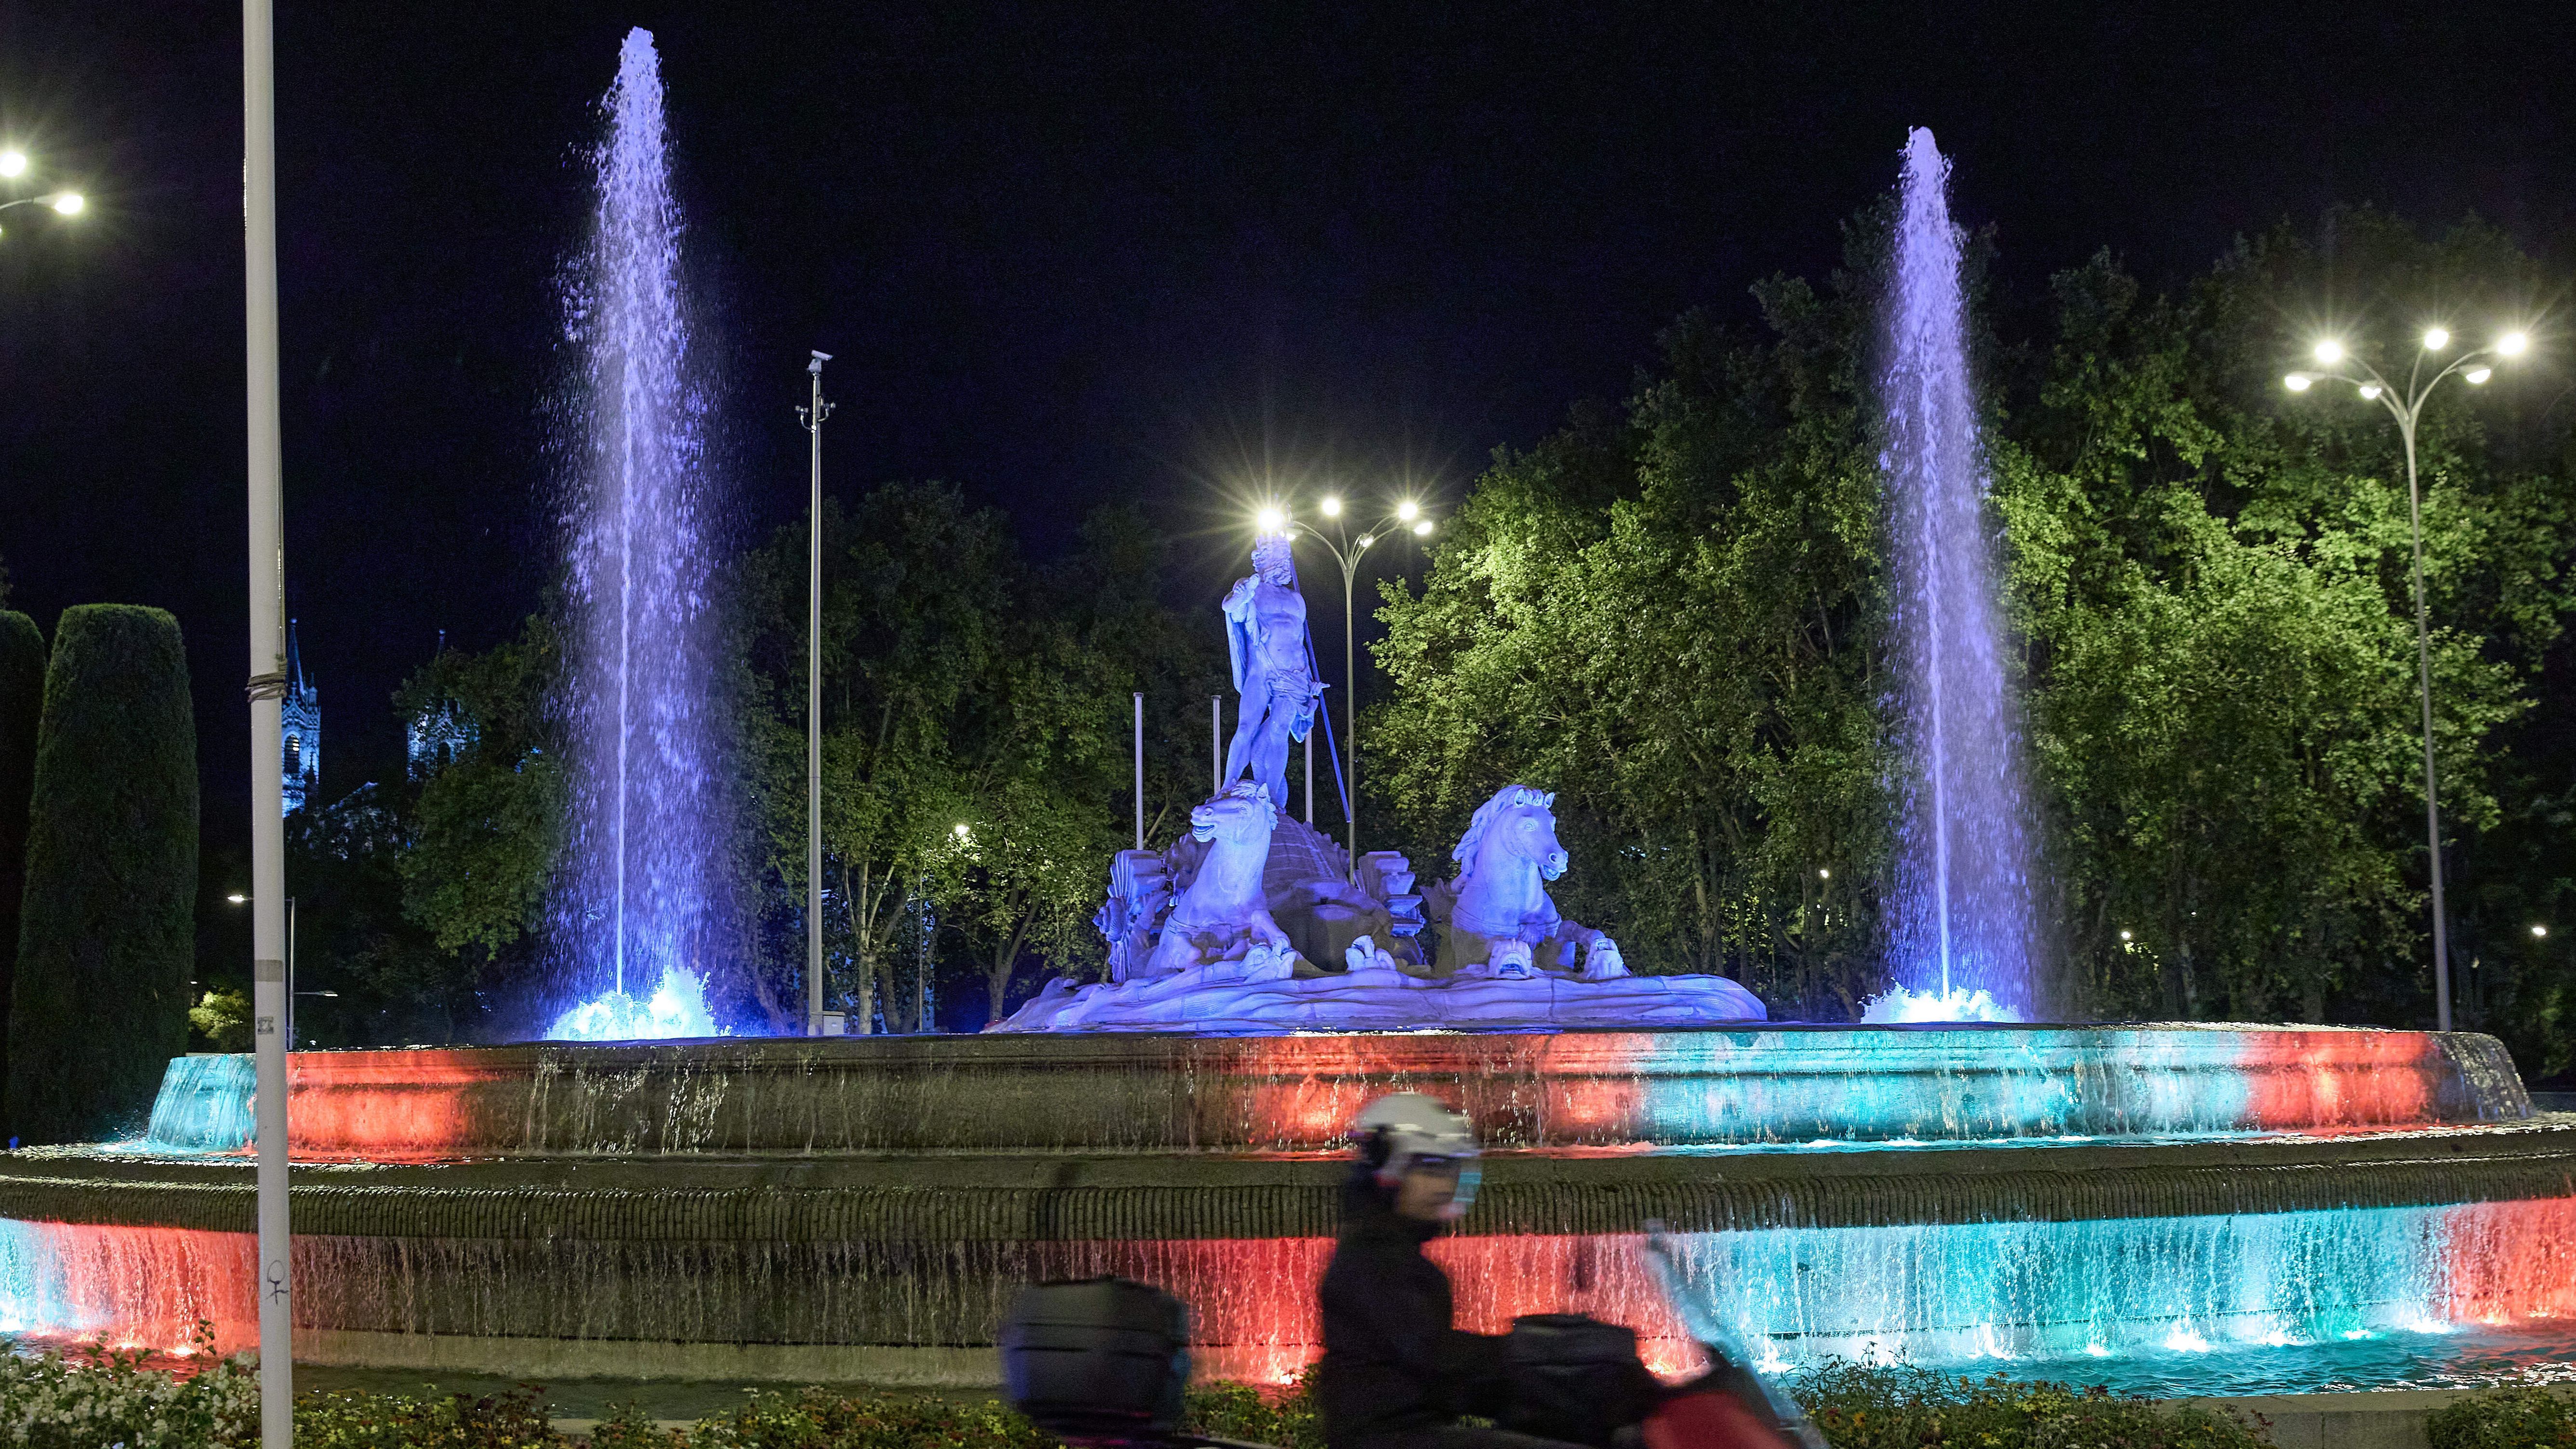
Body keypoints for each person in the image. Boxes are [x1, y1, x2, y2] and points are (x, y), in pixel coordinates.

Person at [1318, 1093, 1614, 1449]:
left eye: (1450, 1169)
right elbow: (1437, 1355)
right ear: (1386, 1170)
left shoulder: (1389, 1251)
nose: (1444, 1186)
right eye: (1429, 1166)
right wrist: (1544, 1355)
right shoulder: (1373, 1260)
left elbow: (1449, 1370)